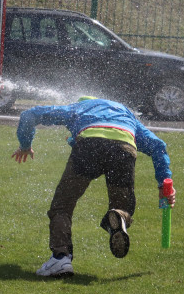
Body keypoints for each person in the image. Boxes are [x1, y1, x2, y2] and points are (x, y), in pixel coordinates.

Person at [13, 96, 174, 278]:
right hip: (124, 147)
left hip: (89, 146)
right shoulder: (127, 115)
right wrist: (164, 183)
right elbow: (158, 146)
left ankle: (60, 258)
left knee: (62, 205)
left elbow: (29, 115)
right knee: (122, 206)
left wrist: (25, 144)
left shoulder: (78, 108)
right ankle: (118, 217)